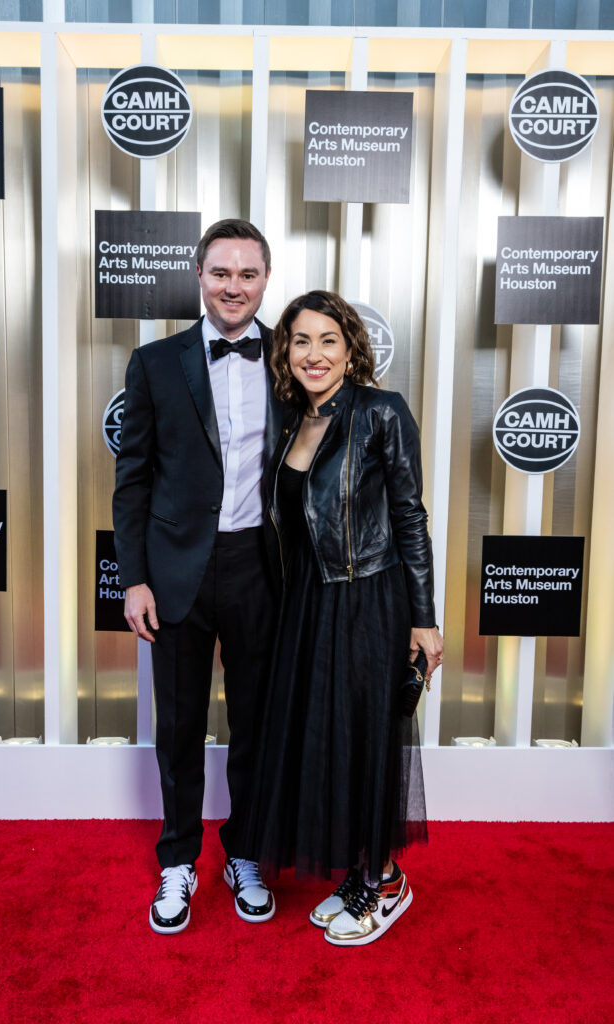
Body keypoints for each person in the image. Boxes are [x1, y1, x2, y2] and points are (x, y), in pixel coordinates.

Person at [242, 290, 444, 947]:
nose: (314, 353)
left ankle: (386, 882)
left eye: (328, 339)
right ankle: (359, 872)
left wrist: (423, 617)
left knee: (364, 741)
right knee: (324, 739)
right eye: (301, 340)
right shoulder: (292, 422)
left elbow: (409, 517)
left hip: (368, 599)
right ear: (286, 352)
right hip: (306, 604)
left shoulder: (381, 412)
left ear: (351, 347)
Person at [112, 219, 283, 934]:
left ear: (264, 280)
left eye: (247, 274)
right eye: (221, 272)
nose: (233, 286)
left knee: (256, 727)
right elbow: (133, 479)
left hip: (262, 570)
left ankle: (245, 852)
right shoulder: (154, 364)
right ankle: (177, 860)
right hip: (177, 571)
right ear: (199, 276)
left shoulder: (291, 358)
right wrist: (134, 579)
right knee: (178, 728)